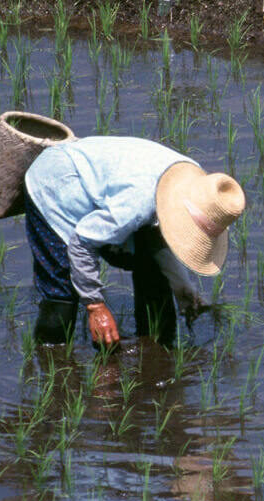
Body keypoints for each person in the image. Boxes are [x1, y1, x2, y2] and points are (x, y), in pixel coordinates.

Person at [22, 136, 246, 349]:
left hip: (109, 188)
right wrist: (95, 306)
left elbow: (157, 236)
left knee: (151, 265)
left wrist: (183, 287)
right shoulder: (136, 205)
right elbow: (82, 243)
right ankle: (52, 358)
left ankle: (156, 349)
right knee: (62, 290)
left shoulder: (196, 185)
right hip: (54, 183)